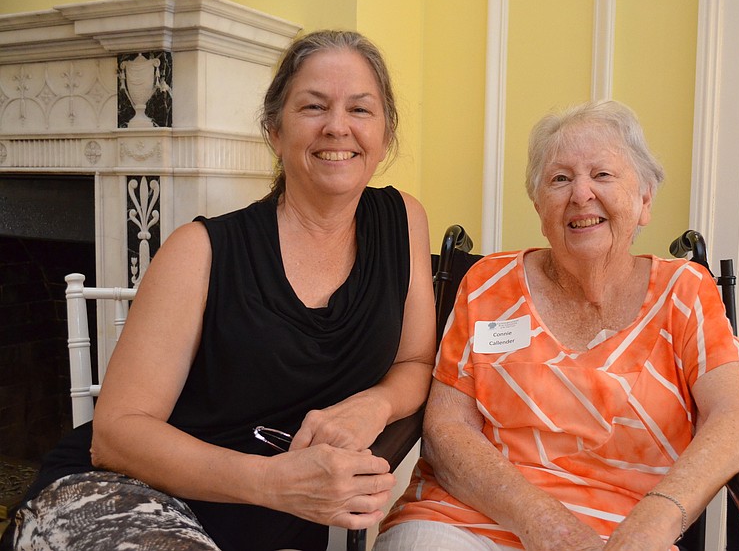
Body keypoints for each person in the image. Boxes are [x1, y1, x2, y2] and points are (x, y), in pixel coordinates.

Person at [4, 30, 436, 551]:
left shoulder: (403, 220)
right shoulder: (201, 250)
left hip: (273, 517)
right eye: (313, 106)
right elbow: (114, 436)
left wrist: (373, 406)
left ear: (385, 132)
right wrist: (277, 483)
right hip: (132, 497)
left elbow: (415, 361)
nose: (337, 127)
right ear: (274, 131)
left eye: (360, 110)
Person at [374, 100, 739, 551]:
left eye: (602, 175)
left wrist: (652, 524)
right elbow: (447, 429)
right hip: (466, 520)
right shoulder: (487, 285)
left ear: (644, 200)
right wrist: (543, 522)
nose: (581, 195)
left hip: (625, 534)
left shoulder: (686, 292)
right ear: (539, 206)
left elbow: (736, 418)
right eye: (560, 179)